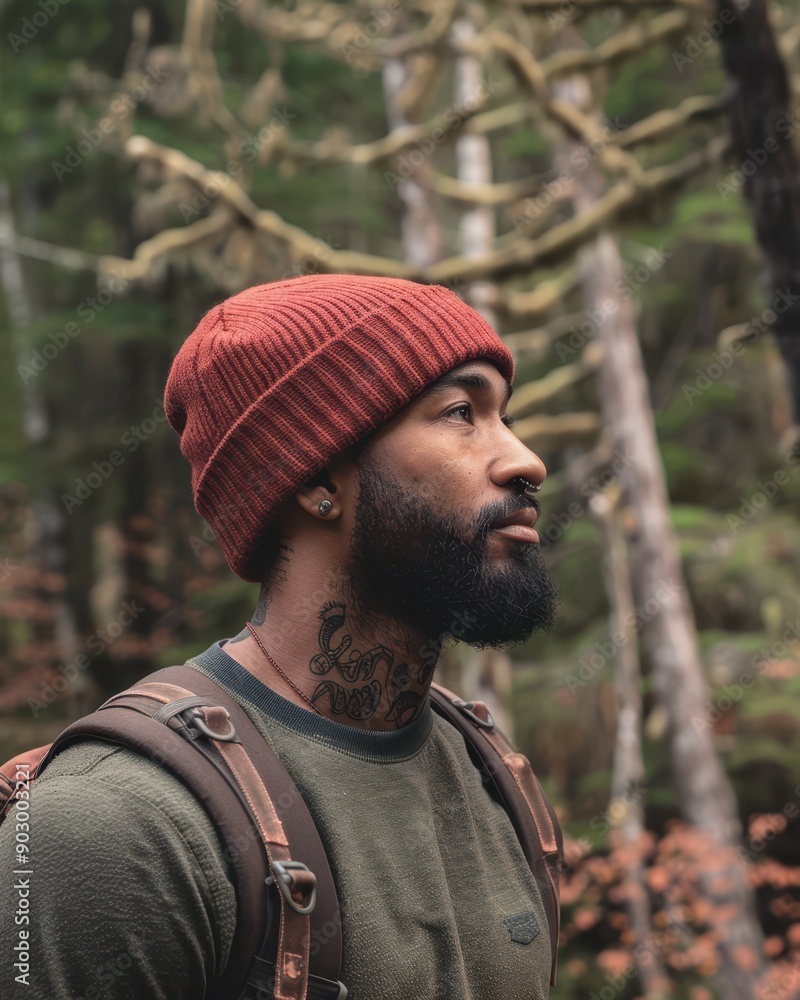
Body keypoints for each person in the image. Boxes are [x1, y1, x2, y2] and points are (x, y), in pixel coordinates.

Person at [0, 274, 560, 999]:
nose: (525, 460)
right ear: (315, 477)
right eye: (461, 411)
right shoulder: (115, 827)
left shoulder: (493, 776)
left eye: (503, 415)